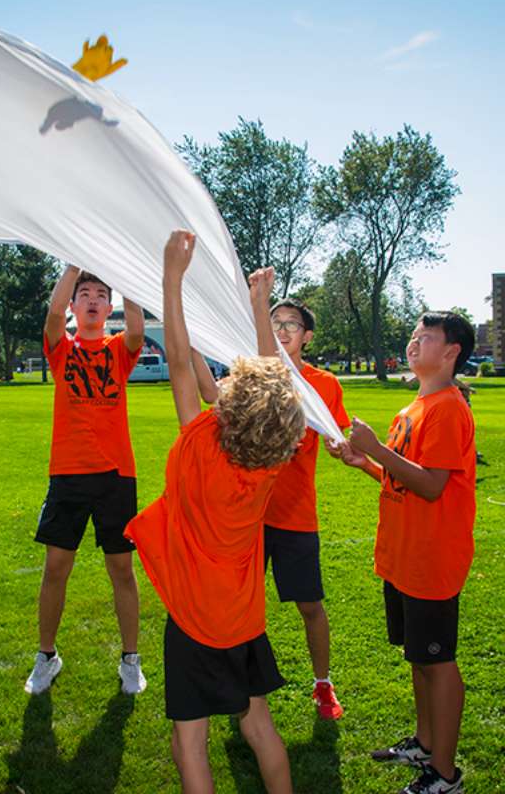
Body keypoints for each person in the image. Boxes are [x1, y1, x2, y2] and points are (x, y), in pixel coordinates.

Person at [126, 231, 305, 794]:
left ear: (230, 411)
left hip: (197, 622)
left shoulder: (203, 446)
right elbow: (272, 384)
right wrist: (258, 307)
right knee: (258, 726)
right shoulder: (271, 462)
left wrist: (171, 279)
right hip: (244, 620)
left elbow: (178, 359)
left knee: (190, 743)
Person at [328, 311, 475, 794]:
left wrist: (377, 449)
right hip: (403, 555)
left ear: (451, 352)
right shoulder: (412, 408)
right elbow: (401, 479)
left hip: (432, 557)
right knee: (419, 658)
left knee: (438, 661)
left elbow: (432, 487)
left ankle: (445, 774)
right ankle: (425, 744)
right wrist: (362, 459)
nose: (414, 344)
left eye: (425, 337)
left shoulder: (448, 408)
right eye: (412, 336)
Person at [25, 264, 146, 696]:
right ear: (75, 306)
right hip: (69, 475)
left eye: (100, 294)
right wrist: (73, 262)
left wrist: (123, 265)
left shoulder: (119, 349)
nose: (93, 299)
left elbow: (136, 327)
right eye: (85, 294)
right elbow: (52, 316)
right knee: (56, 567)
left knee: (121, 569)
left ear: (108, 306)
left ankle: (130, 659)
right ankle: (46, 656)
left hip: (116, 476)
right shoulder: (61, 348)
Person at [257, 298, 351, 718]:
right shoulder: (256, 373)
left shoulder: (324, 384)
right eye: (274, 322)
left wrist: (338, 446)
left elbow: (336, 440)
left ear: (307, 336)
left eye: (291, 324)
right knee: (243, 605)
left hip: (296, 515)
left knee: (310, 605)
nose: (282, 330)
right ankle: (243, 685)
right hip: (250, 514)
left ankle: (323, 684)